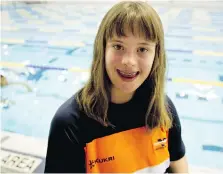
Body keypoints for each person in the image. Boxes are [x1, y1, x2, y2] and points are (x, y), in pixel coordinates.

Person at [44, 1, 188, 173]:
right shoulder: (70, 124)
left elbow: (178, 166)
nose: (129, 61)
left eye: (142, 49)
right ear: (103, 49)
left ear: (156, 56)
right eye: (118, 46)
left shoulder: (163, 109)